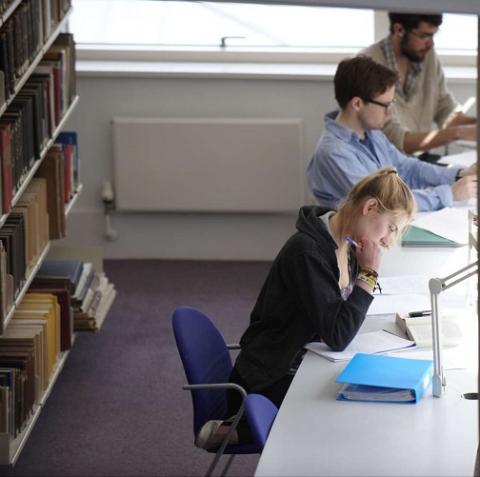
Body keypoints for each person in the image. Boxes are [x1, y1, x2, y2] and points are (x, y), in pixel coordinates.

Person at [195, 167, 415, 450]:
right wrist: (369, 274)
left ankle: (253, 432)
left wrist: (364, 273)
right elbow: (338, 335)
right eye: (391, 228)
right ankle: (244, 429)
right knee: (358, 416)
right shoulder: (308, 251)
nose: (389, 241)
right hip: (267, 378)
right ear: (370, 207)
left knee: (371, 397)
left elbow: (338, 317)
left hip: (302, 360)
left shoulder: (344, 241)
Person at [306, 55, 476, 212]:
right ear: (357, 104)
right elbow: (383, 202)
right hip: (354, 241)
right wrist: (449, 194)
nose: (391, 113)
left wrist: (459, 174)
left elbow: (407, 169)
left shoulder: (371, 133)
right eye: (385, 105)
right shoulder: (334, 152)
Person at [361, 12, 476, 157]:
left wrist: (473, 124)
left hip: (419, 161)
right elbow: (398, 141)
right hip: (388, 166)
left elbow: (445, 110)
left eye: (433, 35)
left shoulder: (426, 55)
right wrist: (458, 133)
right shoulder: (369, 65)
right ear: (399, 30)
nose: (431, 44)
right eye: (424, 36)